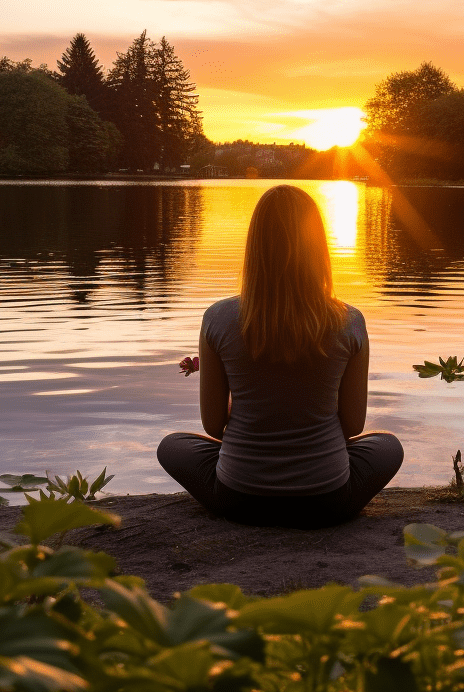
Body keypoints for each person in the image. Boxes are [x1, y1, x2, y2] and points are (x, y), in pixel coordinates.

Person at [157, 184, 404, 528]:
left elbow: (213, 426)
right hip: (328, 502)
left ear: (255, 246)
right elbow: (352, 426)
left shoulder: (217, 318)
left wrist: (255, 412)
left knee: (173, 445)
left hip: (239, 499)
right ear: (318, 246)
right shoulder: (350, 321)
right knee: (386, 445)